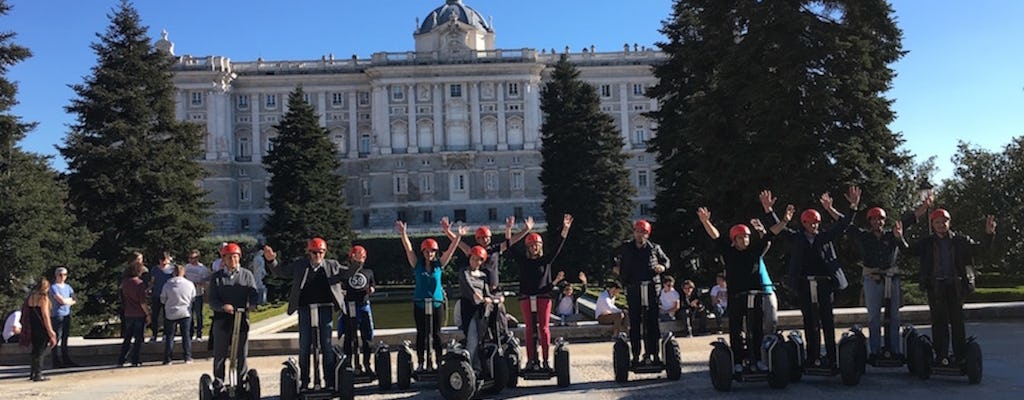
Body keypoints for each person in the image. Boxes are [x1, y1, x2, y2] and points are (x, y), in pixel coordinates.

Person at [765, 186, 860, 370]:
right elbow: (779, 231)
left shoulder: (825, 236)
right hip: (804, 285)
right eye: (810, 223)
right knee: (809, 321)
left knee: (827, 320)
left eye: (816, 222)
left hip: (824, 283)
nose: (813, 226)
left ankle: (832, 357)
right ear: (804, 224)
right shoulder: (798, 238)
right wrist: (769, 211)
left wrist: (853, 207)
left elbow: (843, 225)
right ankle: (812, 357)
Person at [840, 198, 930, 361]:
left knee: (894, 317)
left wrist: (924, 206)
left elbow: (910, 219)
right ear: (870, 221)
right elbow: (845, 223)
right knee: (874, 317)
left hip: (891, 278)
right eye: (874, 219)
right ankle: (875, 351)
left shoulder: (892, 234)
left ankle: (895, 351)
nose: (877, 222)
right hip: (872, 278)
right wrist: (831, 208)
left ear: (884, 221)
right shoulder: (863, 236)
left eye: (880, 219)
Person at [906, 209, 996, 366]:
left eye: (944, 222)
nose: (941, 225)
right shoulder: (927, 242)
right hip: (935, 286)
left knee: (957, 322)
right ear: (932, 225)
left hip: (956, 285)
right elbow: (909, 251)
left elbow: (980, 249)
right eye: (938, 222)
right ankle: (941, 355)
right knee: (938, 322)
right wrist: (900, 238)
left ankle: (960, 355)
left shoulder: (960, 241)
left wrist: (988, 234)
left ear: (949, 223)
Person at [698, 206, 784, 368]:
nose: (744, 240)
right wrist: (706, 222)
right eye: (740, 237)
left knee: (756, 327)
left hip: (754, 295)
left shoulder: (754, 251)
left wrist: (785, 220)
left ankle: (758, 359)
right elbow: (716, 236)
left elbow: (771, 234)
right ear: (734, 240)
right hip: (737, 295)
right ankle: (737, 360)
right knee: (736, 328)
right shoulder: (729, 252)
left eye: (746, 237)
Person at [264, 238, 347, 389]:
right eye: (314, 252)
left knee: (326, 345)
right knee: (304, 346)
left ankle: (329, 381)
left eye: (320, 252)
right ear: (309, 253)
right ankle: (304, 381)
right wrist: (271, 261)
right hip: (305, 309)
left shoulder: (332, 265)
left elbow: (347, 273)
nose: (317, 256)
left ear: (324, 252)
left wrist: (357, 263)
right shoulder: (300, 265)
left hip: (324, 309)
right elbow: (280, 272)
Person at [508, 214, 573, 371]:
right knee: (529, 329)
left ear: (540, 246)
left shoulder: (545, 260)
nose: (534, 248)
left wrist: (565, 229)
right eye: (531, 246)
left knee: (544, 329)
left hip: (543, 296)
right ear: (528, 248)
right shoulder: (523, 260)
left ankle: (545, 360)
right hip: (526, 296)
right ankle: (531, 360)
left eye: (536, 245)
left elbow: (557, 247)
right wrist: (509, 229)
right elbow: (510, 246)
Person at [397, 219, 461, 372]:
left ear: (435, 252)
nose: (429, 254)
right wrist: (403, 234)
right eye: (426, 251)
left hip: (436, 303)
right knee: (422, 335)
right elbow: (408, 249)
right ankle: (421, 363)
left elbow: (451, 250)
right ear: (423, 252)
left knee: (436, 334)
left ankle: (438, 362)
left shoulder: (439, 265)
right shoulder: (417, 264)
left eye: (432, 251)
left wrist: (457, 236)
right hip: (419, 303)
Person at [613, 219, 670, 366]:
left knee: (652, 323)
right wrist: (616, 268)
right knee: (635, 323)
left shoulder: (654, 248)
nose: (640, 235)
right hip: (633, 287)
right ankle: (636, 355)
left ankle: (654, 354)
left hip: (651, 287)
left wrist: (662, 267)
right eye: (638, 232)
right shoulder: (626, 247)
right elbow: (612, 257)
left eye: (643, 232)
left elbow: (666, 261)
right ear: (634, 232)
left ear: (648, 234)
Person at [208, 242, 258, 383]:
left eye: (235, 257)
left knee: (241, 353)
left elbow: (253, 293)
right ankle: (219, 382)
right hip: (222, 319)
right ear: (223, 259)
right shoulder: (216, 277)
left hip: (241, 317)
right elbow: (212, 300)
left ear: (239, 258)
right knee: (220, 353)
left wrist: (252, 304)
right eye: (229, 257)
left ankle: (242, 381)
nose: (232, 260)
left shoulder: (246, 275)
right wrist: (223, 306)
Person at [337, 245, 377, 374]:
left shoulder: (368, 272)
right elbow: (340, 286)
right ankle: (349, 363)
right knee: (349, 336)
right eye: (357, 257)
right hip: (350, 305)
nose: (360, 260)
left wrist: (371, 290)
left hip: (363, 304)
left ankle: (366, 363)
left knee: (367, 336)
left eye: (362, 257)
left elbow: (372, 285)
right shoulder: (346, 272)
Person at [458, 245, 492, 372]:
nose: (475, 262)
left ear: (482, 261)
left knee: (482, 339)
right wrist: (475, 293)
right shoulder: (464, 272)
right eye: (473, 259)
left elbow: (487, 292)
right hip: (468, 308)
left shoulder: (483, 275)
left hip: (481, 310)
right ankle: (468, 368)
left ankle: (479, 367)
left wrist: (495, 297)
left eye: (478, 259)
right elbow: (466, 284)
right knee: (472, 338)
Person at [161, 263, 197, 364]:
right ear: (183, 272)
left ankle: (168, 359)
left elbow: (163, 299)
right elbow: (193, 298)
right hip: (185, 312)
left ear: (173, 273)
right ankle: (187, 357)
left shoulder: (167, 284)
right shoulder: (189, 284)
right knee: (186, 335)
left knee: (170, 336)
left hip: (170, 312)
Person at [23, 277, 57, 381]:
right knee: (41, 351)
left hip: (32, 326)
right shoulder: (44, 298)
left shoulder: (30, 297)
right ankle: (38, 374)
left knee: (35, 350)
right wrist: (51, 331)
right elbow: (45, 315)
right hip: (41, 327)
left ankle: (33, 373)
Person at [119, 256, 149, 367]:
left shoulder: (124, 283)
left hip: (128, 312)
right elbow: (142, 302)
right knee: (138, 338)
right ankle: (135, 359)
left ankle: (122, 358)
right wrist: (147, 314)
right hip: (139, 313)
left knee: (127, 338)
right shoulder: (139, 283)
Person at [49, 266, 77, 368]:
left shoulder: (68, 287)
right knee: (57, 337)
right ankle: (55, 360)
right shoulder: (53, 287)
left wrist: (67, 301)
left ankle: (66, 359)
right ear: (56, 275)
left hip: (66, 315)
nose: (62, 277)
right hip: (57, 315)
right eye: (60, 275)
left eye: (65, 274)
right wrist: (67, 301)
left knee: (65, 338)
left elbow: (74, 299)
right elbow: (61, 301)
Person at [184, 249, 211, 341]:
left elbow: (207, 281)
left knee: (198, 314)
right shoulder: (187, 267)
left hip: (198, 293)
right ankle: (190, 333)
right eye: (190, 258)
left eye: (194, 258)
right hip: (187, 295)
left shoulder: (202, 268)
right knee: (189, 314)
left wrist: (200, 283)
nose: (192, 260)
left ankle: (199, 334)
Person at [148, 252, 175, 343]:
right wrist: (149, 289)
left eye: (165, 259)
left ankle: (165, 334)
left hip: (168, 296)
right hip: (157, 294)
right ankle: (154, 334)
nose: (163, 262)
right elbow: (152, 281)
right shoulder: (155, 269)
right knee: (154, 315)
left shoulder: (172, 269)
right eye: (161, 260)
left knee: (166, 316)